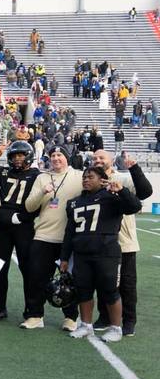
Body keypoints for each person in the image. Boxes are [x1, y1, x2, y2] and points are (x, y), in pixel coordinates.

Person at [62, 167, 140, 343]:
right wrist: (65, 257)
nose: (86, 180)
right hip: (82, 254)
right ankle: (86, 326)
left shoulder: (112, 198)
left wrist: (121, 190)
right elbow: (69, 232)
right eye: (84, 177)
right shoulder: (75, 202)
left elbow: (135, 206)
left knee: (110, 291)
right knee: (84, 291)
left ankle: (116, 328)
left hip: (106, 253)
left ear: (102, 180)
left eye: (90, 177)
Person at [91, 150, 152, 336]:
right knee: (103, 281)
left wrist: (134, 168)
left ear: (111, 160)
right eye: (94, 158)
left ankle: (129, 320)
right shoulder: (92, 180)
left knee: (126, 284)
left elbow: (145, 192)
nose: (98, 160)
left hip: (124, 241)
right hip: (101, 240)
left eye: (101, 157)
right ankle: (104, 317)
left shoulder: (122, 178)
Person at [22, 145, 82, 330]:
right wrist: (43, 192)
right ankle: (35, 315)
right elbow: (29, 207)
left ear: (67, 157)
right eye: (53, 155)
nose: (56, 158)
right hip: (44, 235)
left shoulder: (78, 176)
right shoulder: (42, 177)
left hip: (69, 238)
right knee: (36, 277)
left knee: (70, 280)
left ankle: (71, 317)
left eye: (59, 155)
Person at [0, 141, 41, 322]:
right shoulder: (4, 172)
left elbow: (40, 201)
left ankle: (30, 308)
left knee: (28, 269)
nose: (17, 159)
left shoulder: (37, 175)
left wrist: (23, 217)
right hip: (3, 227)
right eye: (14, 155)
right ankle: (1, 307)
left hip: (24, 228)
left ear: (28, 156)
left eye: (21, 155)